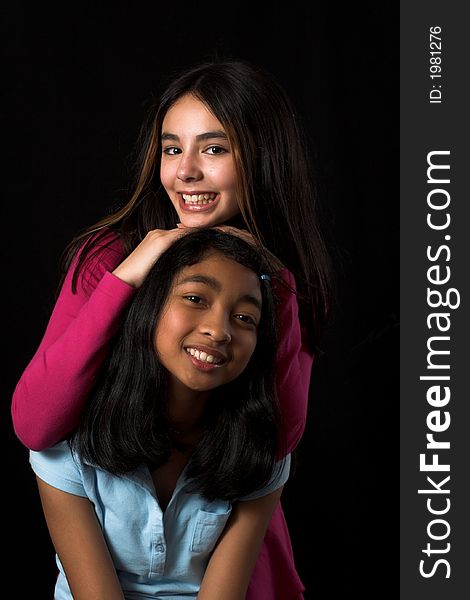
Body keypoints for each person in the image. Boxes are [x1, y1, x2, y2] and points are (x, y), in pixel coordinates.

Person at [12, 58, 332, 599]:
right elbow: (36, 425)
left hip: (222, 552)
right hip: (112, 544)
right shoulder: (108, 258)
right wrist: (129, 275)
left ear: (261, 160)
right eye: (171, 148)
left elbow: (274, 443)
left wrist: (276, 287)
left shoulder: (280, 280)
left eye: (213, 148)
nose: (184, 172)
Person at [31, 228, 291, 600]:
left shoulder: (261, 450)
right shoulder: (66, 445)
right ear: (149, 307)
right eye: (195, 298)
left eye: (245, 318)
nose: (219, 331)